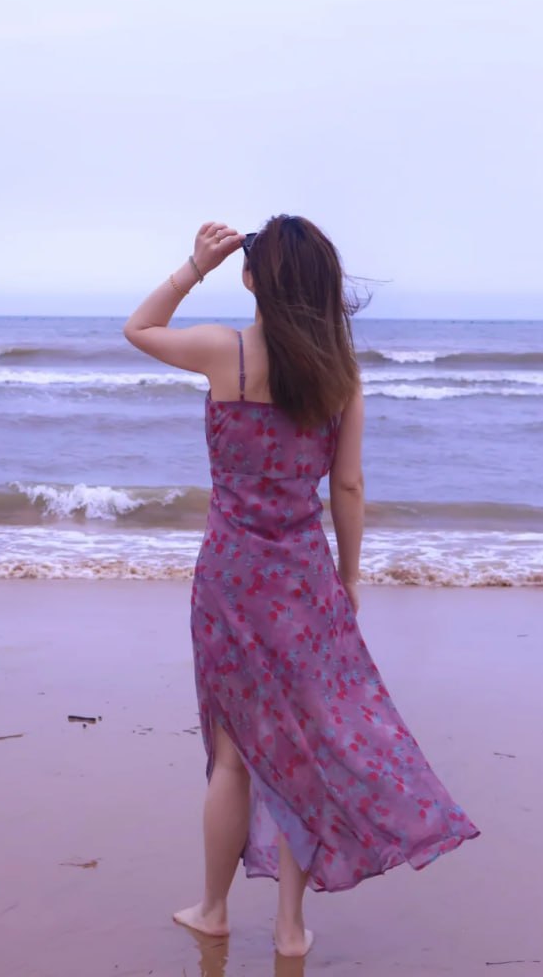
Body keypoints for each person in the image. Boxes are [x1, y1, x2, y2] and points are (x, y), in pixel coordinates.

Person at [123, 216, 480, 958]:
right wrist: (348, 576)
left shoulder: (225, 352)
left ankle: (214, 910)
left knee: (233, 757)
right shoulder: (339, 378)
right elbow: (347, 486)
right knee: (300, 750)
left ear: (252, 278)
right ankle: (289, 927)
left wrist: (194, 265)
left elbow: (140, 328)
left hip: (229, 581)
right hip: (304, 584)